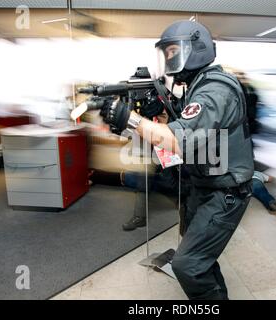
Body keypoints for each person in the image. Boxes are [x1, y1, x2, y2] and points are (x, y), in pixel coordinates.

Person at [98, 20, 254, 299]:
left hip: (225, 191)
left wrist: (129, 118)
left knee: (188, 265)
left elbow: (176, 139)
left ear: (197, 48)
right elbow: (182, 125)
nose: (170, 58)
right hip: (204, 185)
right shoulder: (198, 86)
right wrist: (155, 110)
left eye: (174, 51)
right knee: (198, 259)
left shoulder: (215, 90)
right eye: (166, 53)